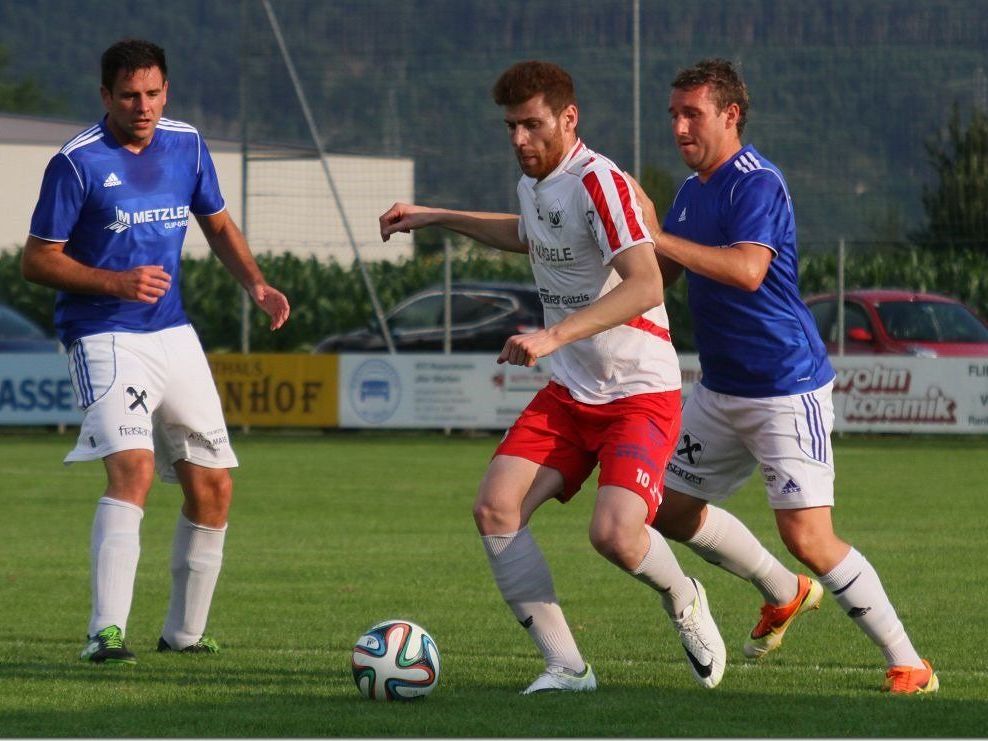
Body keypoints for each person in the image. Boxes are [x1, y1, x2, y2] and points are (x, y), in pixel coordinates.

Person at [379, 60, 725, 694]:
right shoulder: (535, 183)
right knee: (494, 506)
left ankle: (684, 595)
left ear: (569, 118)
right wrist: (434, 215)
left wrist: (551, 336)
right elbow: (529, 236)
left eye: (532, 125)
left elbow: (647, 282)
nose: (519, 140)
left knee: (616, 536)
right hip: (571, 392)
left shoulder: (601, 182)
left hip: (638, 392)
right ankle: (567, 666)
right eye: (510, 126)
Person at [629, 58, 937, 694]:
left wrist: (656, 234)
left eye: (693, 113)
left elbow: (746, 270)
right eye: (674, 115)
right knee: (666, 507)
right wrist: (600, 300)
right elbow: (664, 278)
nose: (680, 127)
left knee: (809, 537)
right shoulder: (691, 192)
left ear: (730, 114)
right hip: (720, 389)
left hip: (784, 388)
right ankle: (783, 591)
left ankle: (910, 662)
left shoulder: (756, 181)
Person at [22, 39, 290, 665]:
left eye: (152, 93)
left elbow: (217, 224)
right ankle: (105, 633)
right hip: (103, 331)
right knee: (135, 470)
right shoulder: (77, 163)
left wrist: (256, 283)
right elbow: (37, 260)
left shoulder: (188, 144)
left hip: (173, 332)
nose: (142, 106)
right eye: (128, 95)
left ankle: (185, 634)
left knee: (214, 486)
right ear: (105, 97)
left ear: (166, 90)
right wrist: (116, 281)